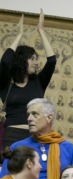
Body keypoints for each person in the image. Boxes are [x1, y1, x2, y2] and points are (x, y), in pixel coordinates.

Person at [0, 10, 56, 150]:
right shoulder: (6, 83)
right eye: (32, 59)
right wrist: (19, 35)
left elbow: (51, 61)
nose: (36, 63)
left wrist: (41, 30)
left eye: (37, 59)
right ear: (21, 61)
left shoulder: (38, 82)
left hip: (35, 136)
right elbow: (6, 62)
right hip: (11, 137)